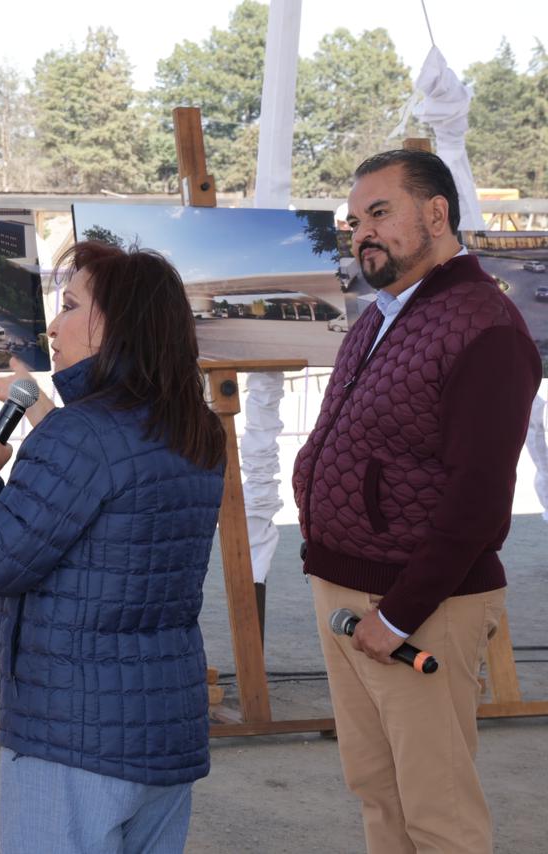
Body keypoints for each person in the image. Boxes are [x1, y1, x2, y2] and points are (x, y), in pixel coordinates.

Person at [293, 149, 541, 853]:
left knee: (438, 812)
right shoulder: (384, 314)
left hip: (420, 607)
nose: (362, 233)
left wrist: (400, 615)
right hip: (349, 589)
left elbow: (479, 499)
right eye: (354, 222)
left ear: (436, 213)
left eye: (380, 212)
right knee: (378, 791)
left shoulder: (484, 326)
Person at [0, 241, 226, 853]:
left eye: (70, 306)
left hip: (73, 734)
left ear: (116, 325)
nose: (52, 325)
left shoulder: (82, 434)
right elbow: (108, 478)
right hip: (163, 732)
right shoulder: (195, 426)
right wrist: (42, 410)